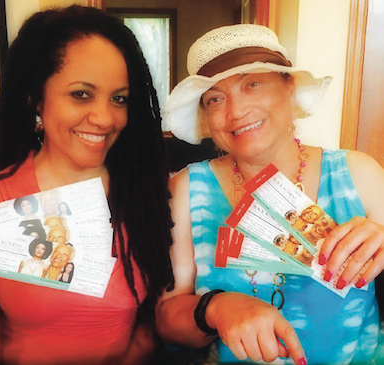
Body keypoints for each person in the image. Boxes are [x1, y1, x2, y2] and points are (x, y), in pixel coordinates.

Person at [0, 6, 173, 364]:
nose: (105, 118)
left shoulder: (148, 196)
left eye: (119, 98)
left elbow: (155, 325)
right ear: (36, 99)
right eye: (81, 94)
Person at [156, 24, 384, 365]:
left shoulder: (358, 173)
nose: (235, 111)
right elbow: (166, 320)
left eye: (253, 84)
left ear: (289, 88)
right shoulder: (189, 189)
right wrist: (216, 308)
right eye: (216, 99)